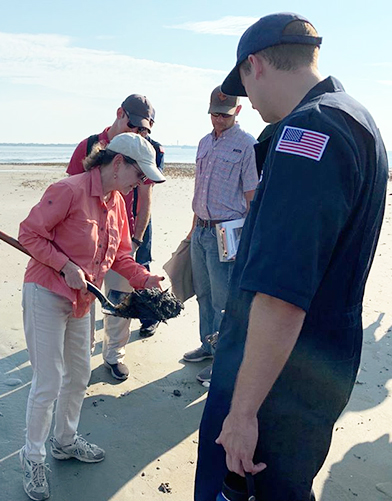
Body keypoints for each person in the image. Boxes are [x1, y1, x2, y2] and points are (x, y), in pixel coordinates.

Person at [195, 13, 388, 501]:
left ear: (253, 66)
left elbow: (281, 292)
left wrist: (242, 413)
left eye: (242, 85)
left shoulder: (309, 132)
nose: (247, 102)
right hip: (317, 364)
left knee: (249, 487)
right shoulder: (356, 118)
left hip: (277, 377)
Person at [18, 132, 166, 500]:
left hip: (84, 300)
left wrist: (146, 279)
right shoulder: (68, 189)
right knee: (48, 379)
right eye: (139, 173)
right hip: (47, 293)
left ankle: (64, 441)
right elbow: (28, 234)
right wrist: (64, 264)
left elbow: (121, 257)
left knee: (79, 373)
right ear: (118, 163)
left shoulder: (117, 202)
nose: (142, 182)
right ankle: (32, 456)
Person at [67, 94, 165, 381]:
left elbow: (145, 198)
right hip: (86, 243)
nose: (137, 134)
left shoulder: (147, 149)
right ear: (120, 113)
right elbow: (71, 190)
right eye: (133, 126)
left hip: (123, 237)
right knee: (83, 297)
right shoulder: (88, 146)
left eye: (143, 129)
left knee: (121, 298)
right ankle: (81, 356)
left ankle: (114, 355)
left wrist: (134, 241)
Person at [182, 86, 258, 385]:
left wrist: (249, 242)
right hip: (200, 231)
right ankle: (208, 345)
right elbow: (200, 190)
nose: (217, 119)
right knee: (203, 295)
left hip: (226, 234)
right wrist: (191, 231)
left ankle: (224, 362)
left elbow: (252, 197)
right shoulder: (203, 143)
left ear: (237, 111)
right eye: (213, 114)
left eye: (224, 115)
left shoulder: (247, 146)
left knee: (223, 300)